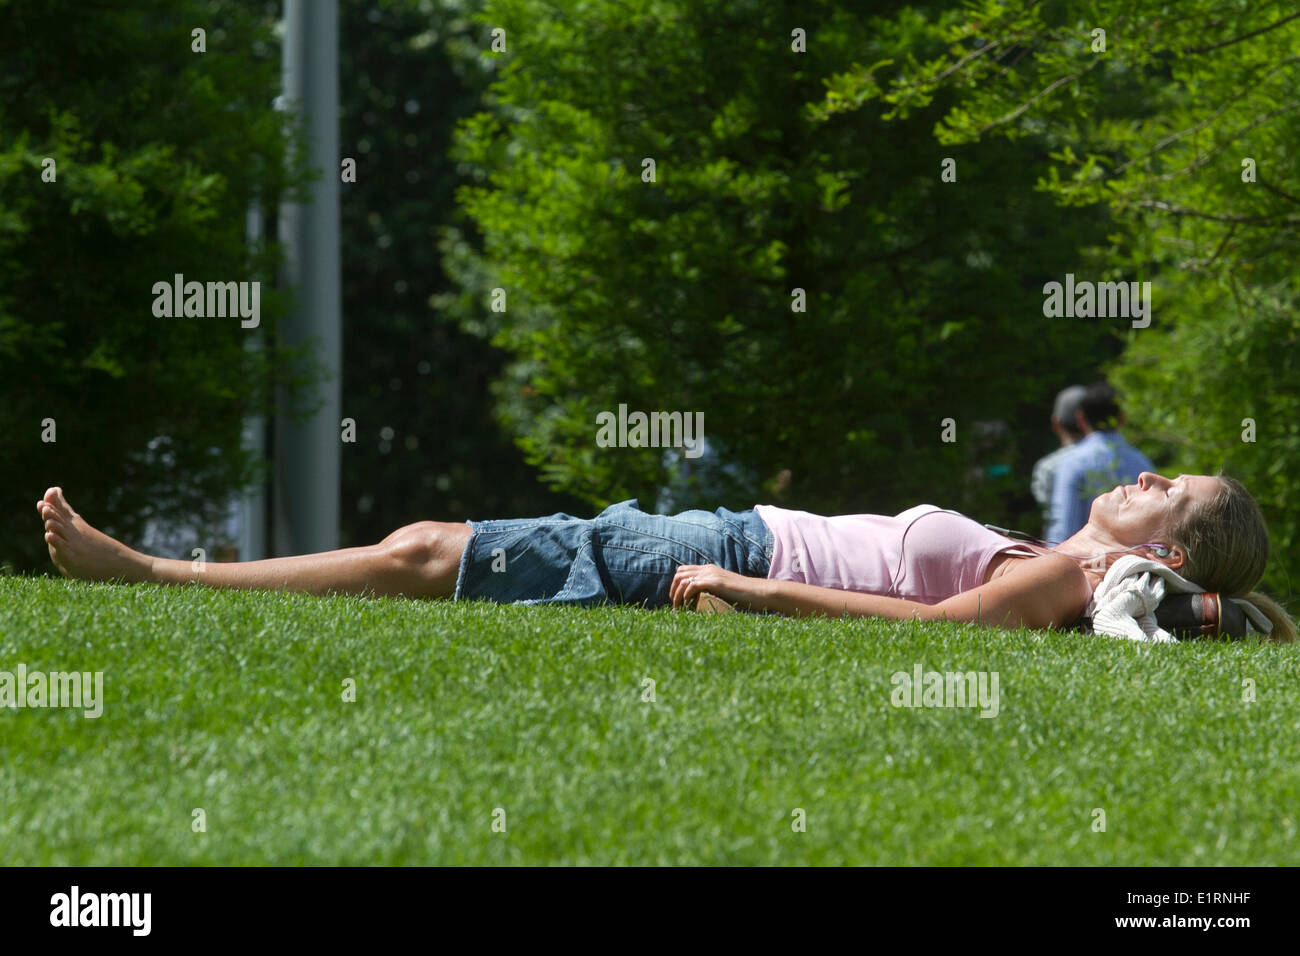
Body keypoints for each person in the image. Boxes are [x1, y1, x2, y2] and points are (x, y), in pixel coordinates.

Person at [33, 469, 1295, 641]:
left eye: (1161, 488)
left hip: (716, 547)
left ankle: (152, 576)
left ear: (1172, 545)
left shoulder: (1065, 576)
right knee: (423, 550)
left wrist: (752, 589)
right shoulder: (1067, 551)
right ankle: (155, 571)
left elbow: (931, 634)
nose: (1136, 475)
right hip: (708, 531)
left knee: (420, 551)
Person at [1046, 382, 1154, 545]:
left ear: (1081, 418)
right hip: (1136, 564)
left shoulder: (1072, 463)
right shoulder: (1142, 463)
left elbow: (1063, 529)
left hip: (1087, 563)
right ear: (1121, 418)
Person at [1030, 385, 1086, 536]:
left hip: (1066, 551)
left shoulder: (1048, 467)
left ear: (1056, 423)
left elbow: (1051, 518)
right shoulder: (1126, 458)